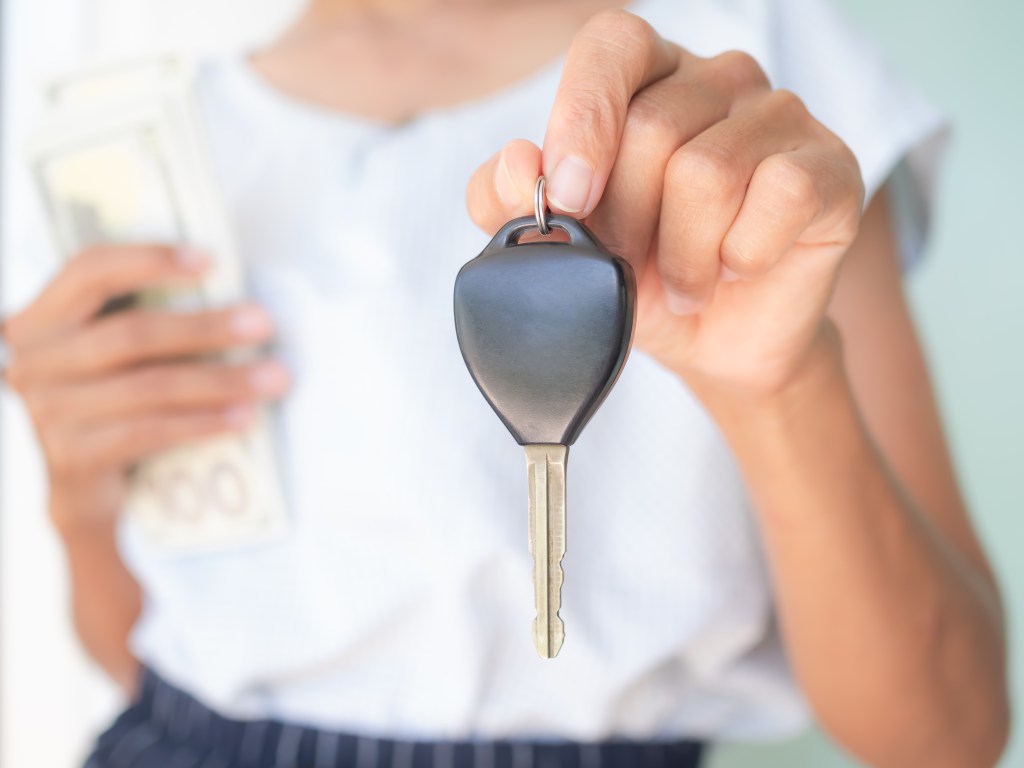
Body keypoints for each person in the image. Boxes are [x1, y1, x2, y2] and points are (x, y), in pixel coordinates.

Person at [1, 0, 1010, 765]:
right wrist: (78, 497)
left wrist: (777, 386)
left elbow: (950, 729)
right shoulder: (152, 127)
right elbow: (135, 649)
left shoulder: (742, 95)